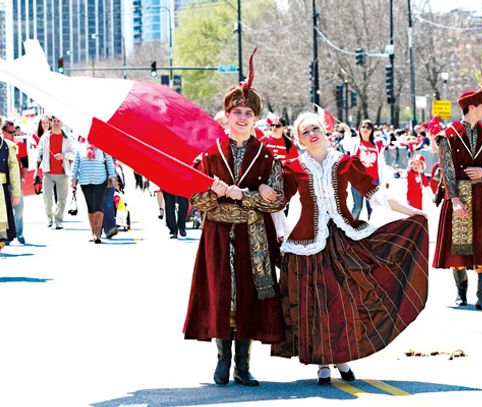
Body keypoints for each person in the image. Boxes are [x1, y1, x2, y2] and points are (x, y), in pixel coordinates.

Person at [270, 112, 429, 385]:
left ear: (325, 131)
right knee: (318, 302)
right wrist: (278, 232)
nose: (312, 134)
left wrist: (411, 211)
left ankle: (341, 357)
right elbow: (276, 204)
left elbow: (375, 193)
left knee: (343, 301)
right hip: (307, 246)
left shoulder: (345, 162)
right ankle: (321, 361)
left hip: (346, 241)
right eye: (305, 131)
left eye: (316, 128)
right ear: (299, 139)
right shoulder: (292, 167)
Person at [183, 53, 286, 387]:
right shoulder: (209, 152)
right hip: (217, 236)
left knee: (249, 297)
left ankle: (243, 365)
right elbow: (195, 197)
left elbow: (279, 199)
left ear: (256, 118)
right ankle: (222, 360)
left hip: (254, 238)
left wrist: (243, 196)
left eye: (248, 113)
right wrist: (216, 191)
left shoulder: (267, 154)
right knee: (221, 295)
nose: (242, 118)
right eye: (236, 112)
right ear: (226, 115)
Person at [432, 87, 482, 310]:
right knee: (459, 249)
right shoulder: (448, 135)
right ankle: (461, 290)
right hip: (459, 195)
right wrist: (454, 200)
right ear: (471, 107)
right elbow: (447, 169)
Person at [71, 140, 117, 243]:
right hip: (85, 181)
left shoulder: (103, 146)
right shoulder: (80, 147)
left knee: (98, 205)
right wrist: (73, 177)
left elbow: (109, 161)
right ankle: (92, 232)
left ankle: (97, 234)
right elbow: (76, 163)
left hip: (100, 180)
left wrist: (113, 177)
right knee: (90, 207)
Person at [35, 116, 76, 229]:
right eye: (54, 121)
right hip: (48, 173)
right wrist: (36, 171)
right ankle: (49, 217)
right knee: (47, 196)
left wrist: (63, 156)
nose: (56, 123)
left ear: (62, 122)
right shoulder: (45, 137)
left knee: (62, 199)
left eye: (58, 121)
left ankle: (58, 220)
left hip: (63, 173)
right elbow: (39, 155)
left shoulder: (68, 138)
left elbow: (73, 154)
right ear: (51, 122)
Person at [351, 119, 384, 220]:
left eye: (368, 127)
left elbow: (382, 163)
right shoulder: (355, 143)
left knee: (372, 208)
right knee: (357, 207)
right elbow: (345, 143)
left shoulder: (377, 145)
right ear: (359, 129)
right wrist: (347, 131)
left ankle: (370, 228)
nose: (365, 129)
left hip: (373, 180)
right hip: (358, 180)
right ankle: (350, 229)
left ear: (372, 130)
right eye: (363, 127)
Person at [2, 121, 28, 244]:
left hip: (15, 182)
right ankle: (5, 236)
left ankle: (19, 233)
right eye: (10, 132)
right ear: (3, 132)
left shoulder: (20, 145)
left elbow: (25, 165)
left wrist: (22, 179)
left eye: (14, 132)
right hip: (4, 182)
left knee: (19, 210)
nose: (13, 134)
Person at [0, 120, 21, 252]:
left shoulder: (7, 146)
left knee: (2, 228)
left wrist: (16, 192)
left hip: (2, 190)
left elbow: (14, 171)